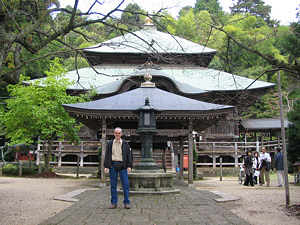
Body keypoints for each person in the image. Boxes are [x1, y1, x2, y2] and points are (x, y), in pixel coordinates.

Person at [104, 127, 133, 209]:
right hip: (113, 165)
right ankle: (114, 202)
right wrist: (106, 166)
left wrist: (129, 166)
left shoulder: (125, 144)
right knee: (113, 185)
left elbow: (128, 155)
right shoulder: (110, 143)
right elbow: (107, 155)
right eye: (116, 133)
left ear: (121, 134)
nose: (117, 134)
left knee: (125, 184)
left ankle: (126, 202)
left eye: (119, 133)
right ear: (114, 134)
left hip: (123, 165)